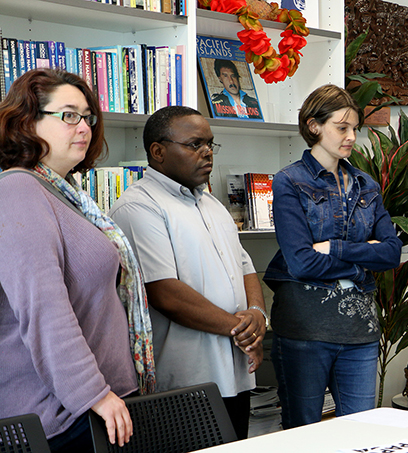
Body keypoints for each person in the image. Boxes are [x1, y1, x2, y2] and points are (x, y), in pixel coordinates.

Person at [0, 68, 155, 452]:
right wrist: (93, 394)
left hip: (97, 406)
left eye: (88, 116)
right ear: (27, 122)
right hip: (62, 415)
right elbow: (44, 309)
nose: (83, 126)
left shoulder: (66, 195)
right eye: (68, 115)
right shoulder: (19, 190)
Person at [109, 105, 267, 440]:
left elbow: (245, 266)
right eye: (195, 144)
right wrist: (243, 330)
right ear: (158, 151)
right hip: (186, 382)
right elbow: (165, 293)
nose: (207, 152)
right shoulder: (139, 206)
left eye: (210, 143)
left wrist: (257, 314)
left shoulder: (211, 203)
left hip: (235, 371)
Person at [263, 84, 402, 429]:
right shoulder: (289, 182)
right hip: (304, 329)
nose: (352, 137)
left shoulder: (366, 185)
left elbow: (391, 253)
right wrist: (362, 261)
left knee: (361, 434)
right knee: (304, 434)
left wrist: (335, 249)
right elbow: (301, 262)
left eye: (355, 128)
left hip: (361, 332)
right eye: (342, 128)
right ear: (314, 126)